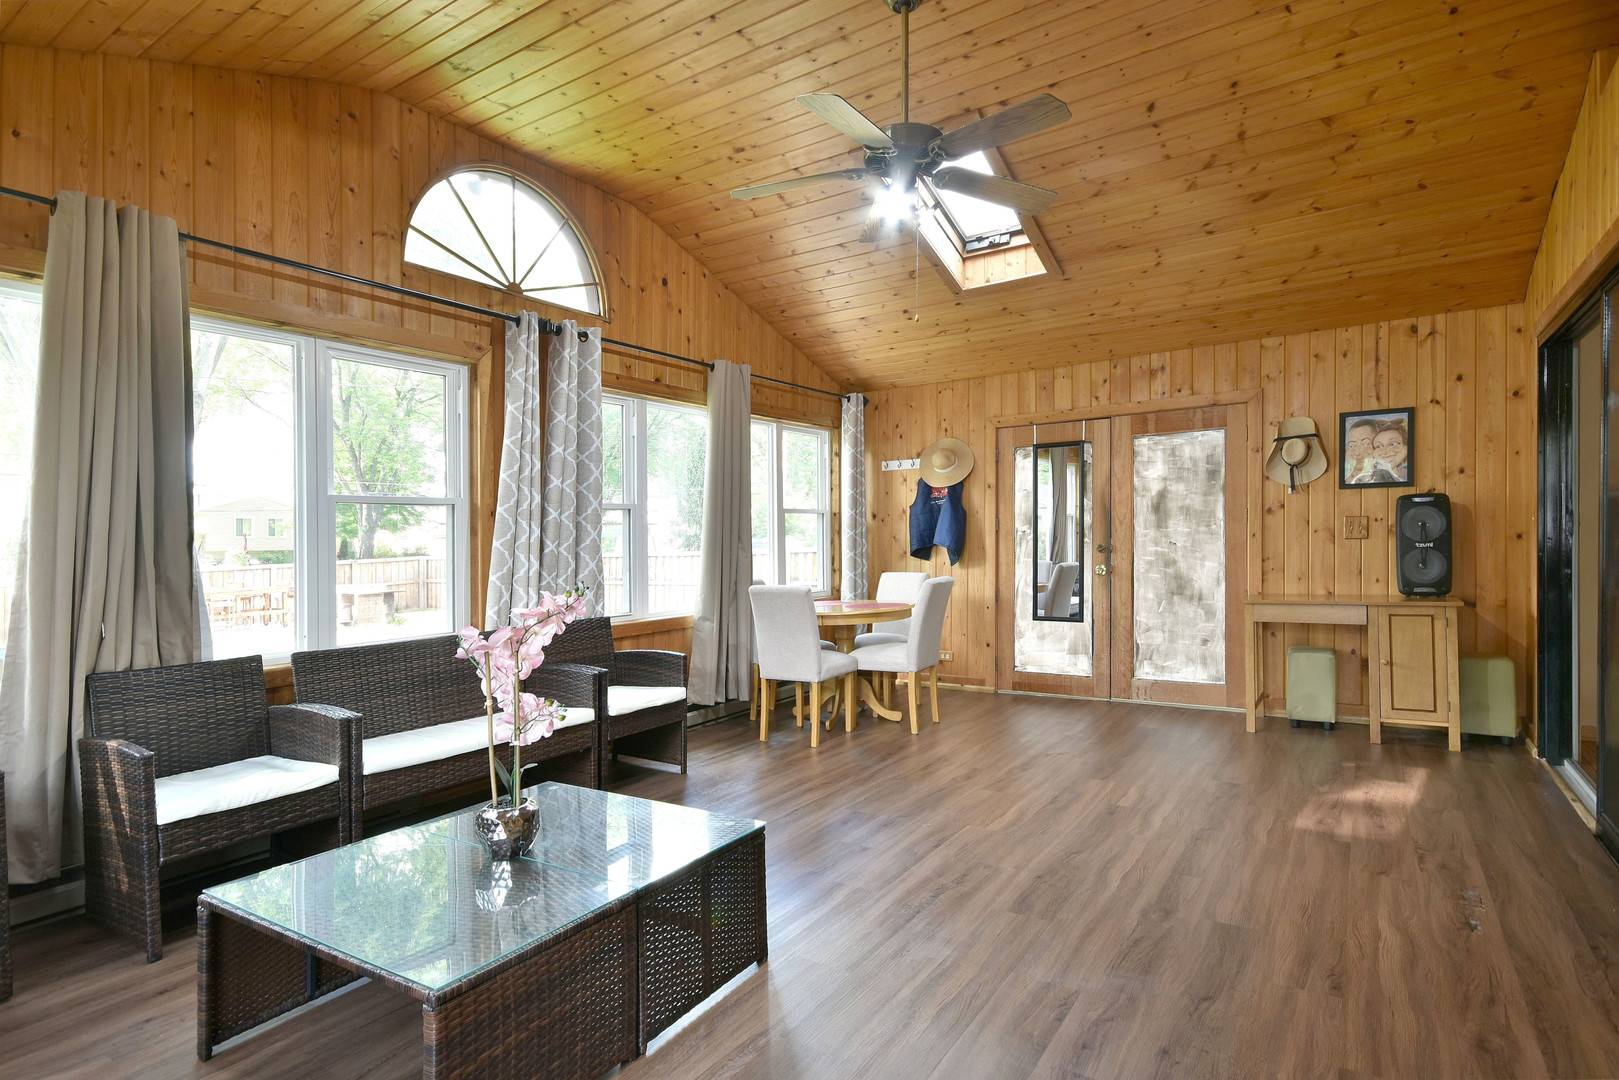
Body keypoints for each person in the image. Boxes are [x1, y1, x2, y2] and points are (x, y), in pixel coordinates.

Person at [1344, 419, 1378, 484]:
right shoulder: (1345, 481)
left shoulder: (1385, 477)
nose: (1357, 453)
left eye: (1366, 444)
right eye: (1352, 445)